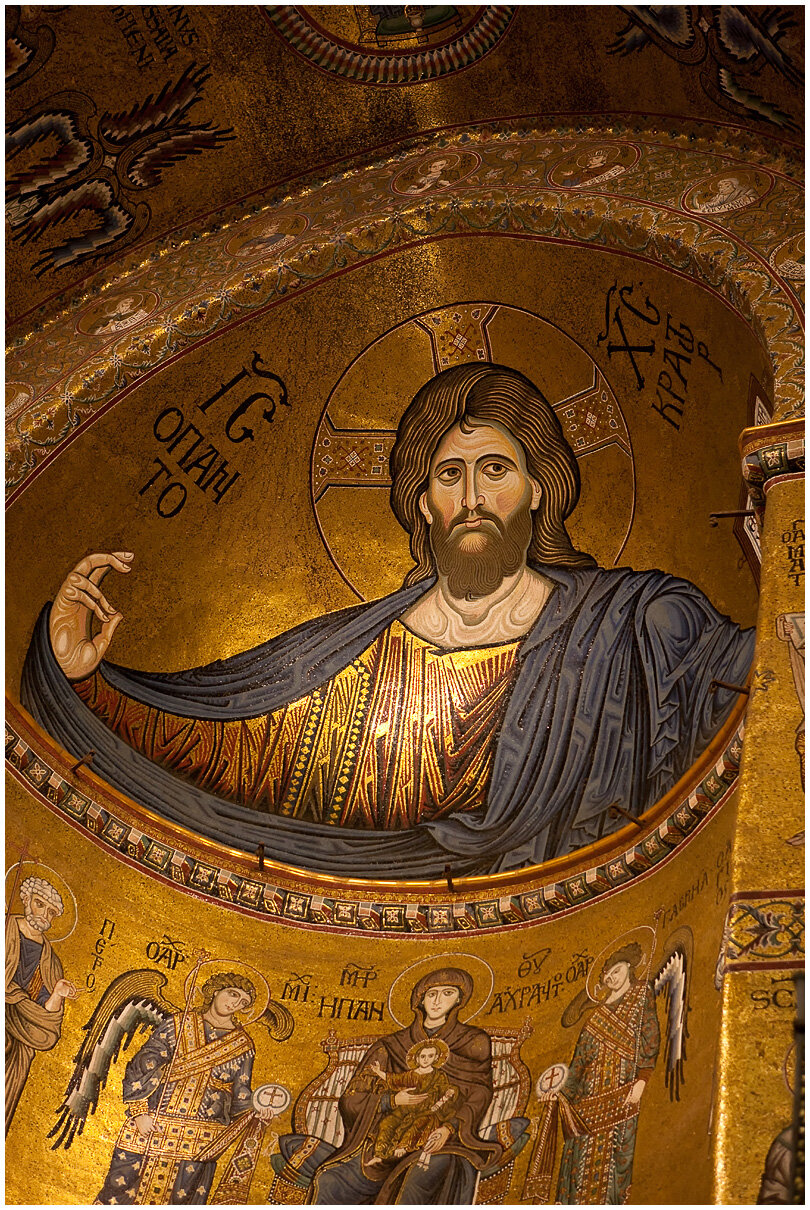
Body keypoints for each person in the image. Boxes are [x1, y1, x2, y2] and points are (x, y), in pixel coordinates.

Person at [21, 362, 755, 878]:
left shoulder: (633, 625)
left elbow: (759, 676)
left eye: (496, 469)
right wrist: (84, 682)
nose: (472, 498)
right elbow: (226, 746)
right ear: (422, 501)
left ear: (540, 488)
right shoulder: (346, 655)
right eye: (449, 474)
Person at [308, 967, 500, 1204]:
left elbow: (479, 1093)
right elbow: (352, 1099)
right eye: (431, 994)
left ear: (460, 999)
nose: (438, 1001)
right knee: (329, 1180)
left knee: (417, 1179)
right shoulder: (392, 1046)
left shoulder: (472, 1042)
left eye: (448, 993)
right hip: (386, 1140)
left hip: (441, 1139)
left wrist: (449, 1128)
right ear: (420, 1000)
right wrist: (390, 1101)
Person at [95, 971, 275, 1205]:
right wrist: (139, 1112)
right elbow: (142, 1065)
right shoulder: (177, 1024)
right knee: (120, 1189)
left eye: (243, 1002)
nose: (235, 1003)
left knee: (182, 1199)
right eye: (232, 994)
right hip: (153, 1123)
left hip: (199, 1139)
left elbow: (240, 1093)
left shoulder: (242, 1044)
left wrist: (258, 1111)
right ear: (215, 990)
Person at [550, 943, 660, 1204]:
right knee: (579, 1165)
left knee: (616, 1161)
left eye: (616, 970)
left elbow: (650, 1036)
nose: (612, 977)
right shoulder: (595, 1016)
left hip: (621, 1094)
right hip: (588, 1103)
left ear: (628, 967)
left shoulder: (640, 995)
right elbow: (579, 1063)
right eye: (607, 975)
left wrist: (642, 1080)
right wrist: (561, 1093)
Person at [5, 876, 76, 1133]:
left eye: (51, 911)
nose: (44, 914)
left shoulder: (50, 961)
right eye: (39, 904)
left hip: (19, 1041)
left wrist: (57, 994)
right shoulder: (5, 928)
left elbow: (47, 1021)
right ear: (25, 900)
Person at [368, 1039, 457, 1161]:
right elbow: (394, 1079)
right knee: (387, 1123)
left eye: (430, 1056)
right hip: (405, 1109)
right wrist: (378, 1072)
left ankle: (404, 1147)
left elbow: (445, 1090)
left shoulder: (439, 1076)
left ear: (436, 1058)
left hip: (427, 1111)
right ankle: (379, 1154)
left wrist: (449, 1092)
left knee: (418, 1124)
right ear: (417, 1058)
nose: (426, 1059)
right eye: (423, 1056)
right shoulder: (410, 1075)